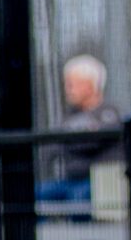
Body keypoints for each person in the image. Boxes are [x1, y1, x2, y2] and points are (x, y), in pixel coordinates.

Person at [36, 54, 122, 205]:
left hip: (97, 183)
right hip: (70, 180)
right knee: (37, 194)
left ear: (91, 85)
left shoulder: (108, 114)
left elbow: (90, 143)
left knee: (78, 198)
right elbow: (52, 146)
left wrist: (67, 139)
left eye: (72, 84)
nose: (68, 90)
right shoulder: (70, 115)